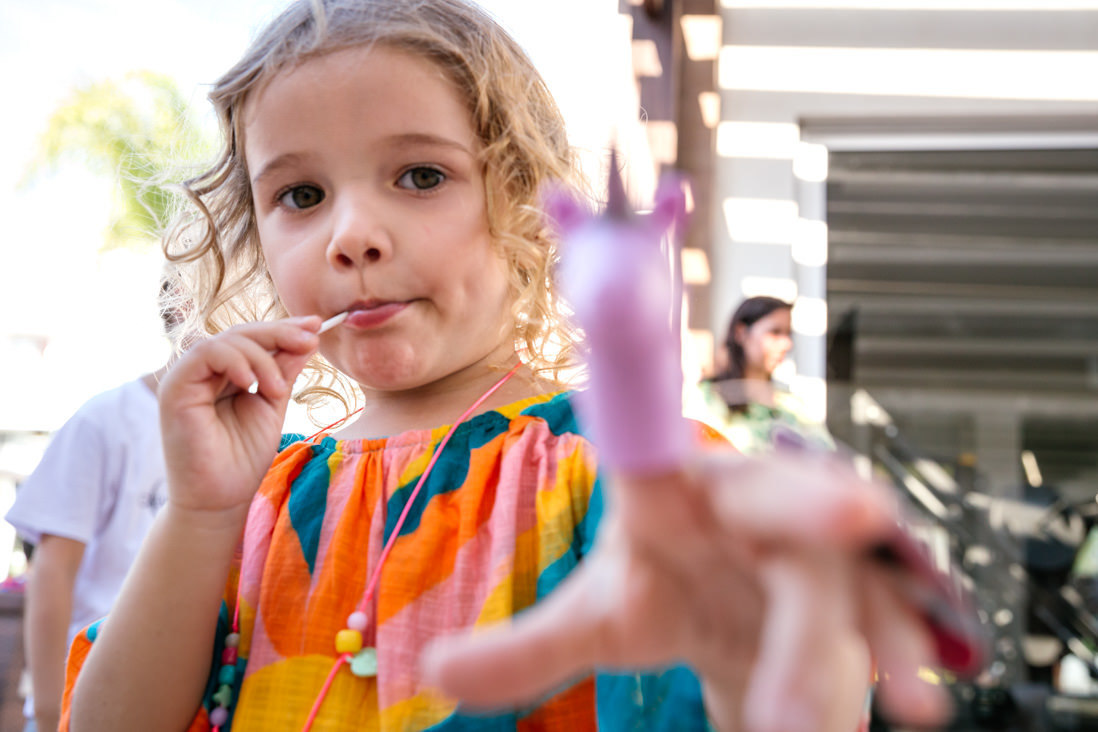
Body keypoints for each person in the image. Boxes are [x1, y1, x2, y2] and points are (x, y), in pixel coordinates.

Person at [63, 2, 955, 730]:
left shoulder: (620, 475)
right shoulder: (257, 504)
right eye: (301, 195)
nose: (352, 236)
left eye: (419, 176)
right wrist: (199, 512)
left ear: (524, 198)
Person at [6, 278, 182, 732]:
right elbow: (51, 572)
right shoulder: (106, 420)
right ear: (178, 306)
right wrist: (47, 712)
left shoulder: (264, 429)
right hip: (87, 691)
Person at [698, 296, 834, 455]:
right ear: (741, 333)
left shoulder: (790, 403)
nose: (787, 344)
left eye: (788, 334)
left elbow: (828, 457)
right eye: (775, 332)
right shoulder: (708, 397)